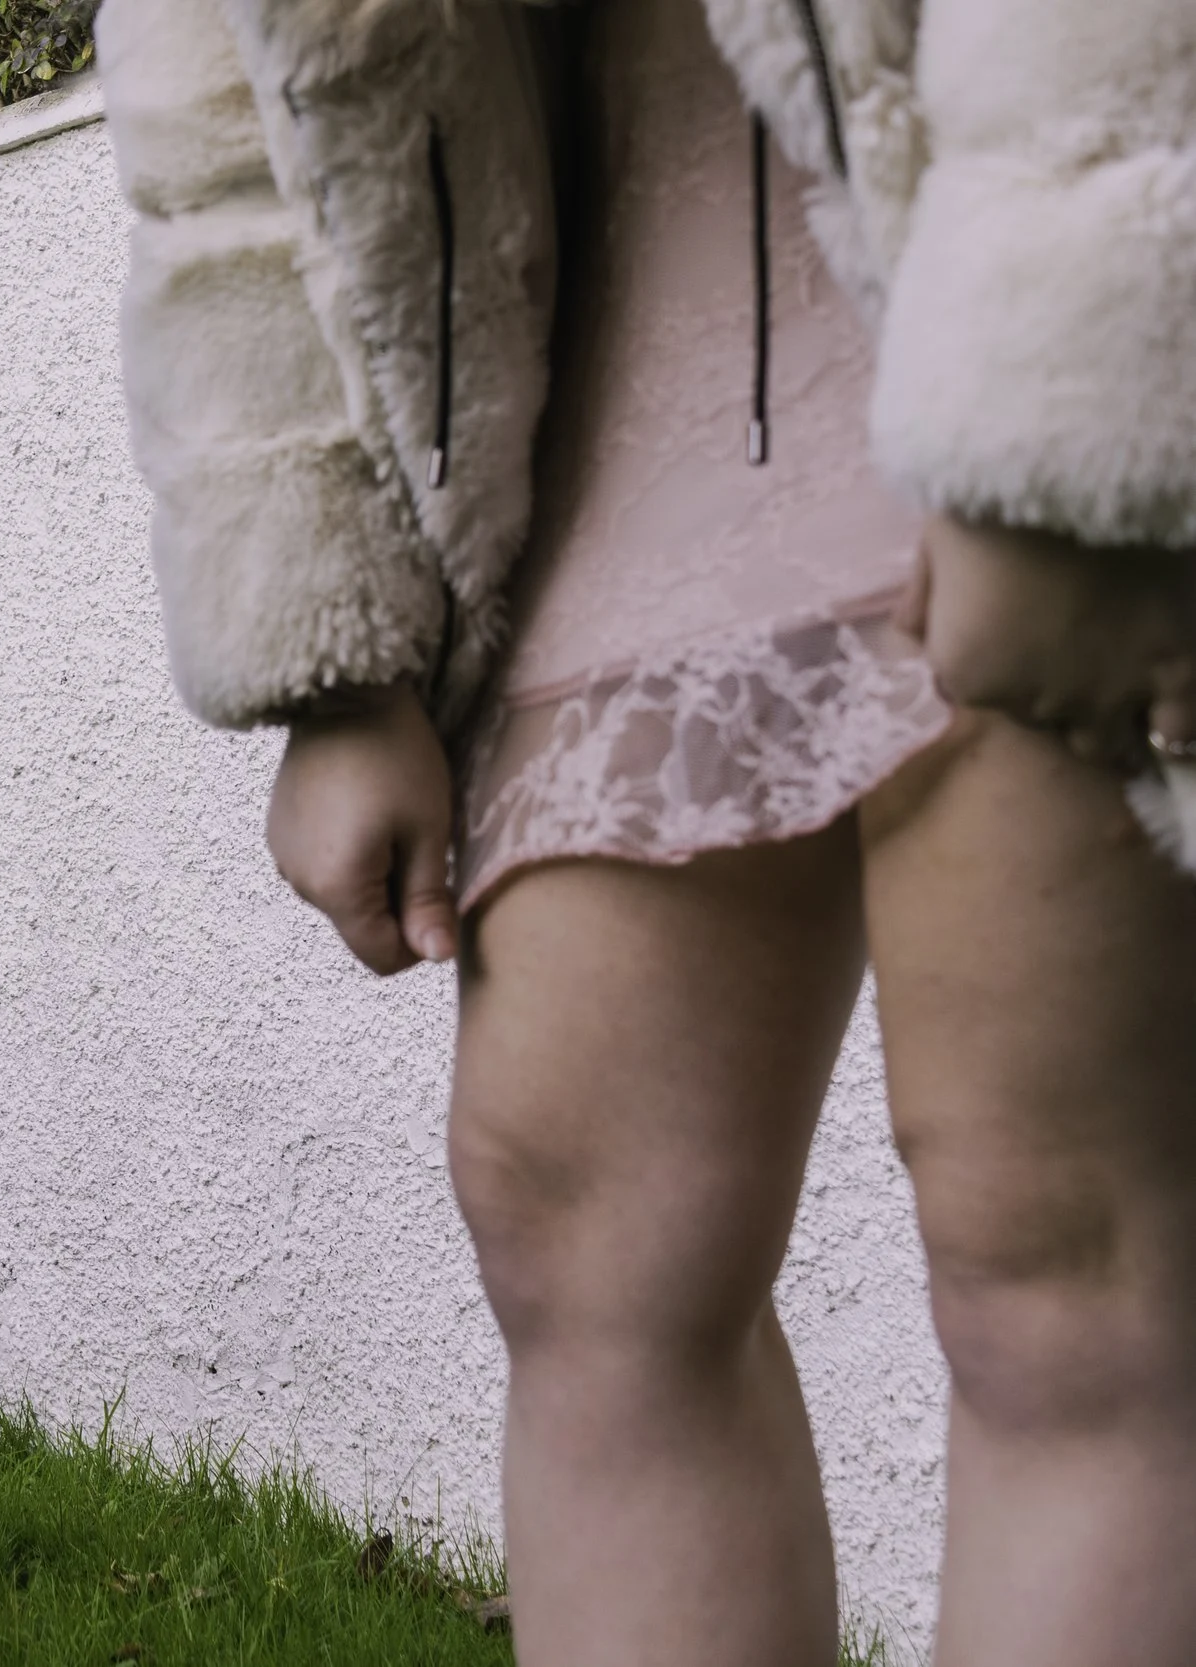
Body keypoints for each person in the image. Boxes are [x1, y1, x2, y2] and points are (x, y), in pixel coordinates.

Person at [93, 0, 1196, 1661]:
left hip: (1038, 232)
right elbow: (221, 77)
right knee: (576, 1228)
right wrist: (330, 636)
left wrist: (1114, 398)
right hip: (626, 322)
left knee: (1061, 1258)